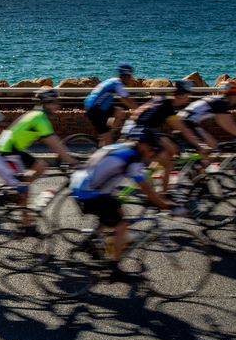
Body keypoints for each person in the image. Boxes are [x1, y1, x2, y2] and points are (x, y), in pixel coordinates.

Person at [69, 128, 179, 277]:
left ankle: (89, 243)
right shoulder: (133, 159)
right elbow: (145, 188)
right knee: (121, 225)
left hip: (82, 184)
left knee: (117, 212)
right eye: (150, 145)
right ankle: (115, 268)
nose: (153, 149)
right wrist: (165, 205)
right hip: (89, 193)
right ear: (141, 144)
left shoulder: (120, 147)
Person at [122, 79, 208, 192]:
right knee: (168, 164)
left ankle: (150, 180)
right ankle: (163, 196)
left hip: (135, 129)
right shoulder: (167, 108)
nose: (189, 98)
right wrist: (200, 146)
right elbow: (183, 129)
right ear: (180, 96)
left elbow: (139, 113)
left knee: (169, 151)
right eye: (187, 95)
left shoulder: (161, 101)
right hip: (142, 133)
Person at [0, 87, 79, 179]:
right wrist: (74, 162)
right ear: (46, 103)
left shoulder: (35, 114)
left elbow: (53, 142)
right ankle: (18, 189)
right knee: (20, 189)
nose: (58, 106)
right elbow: (55, 144)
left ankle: (20, 185)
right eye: (54, 102)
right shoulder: (40, 119)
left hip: (8, 146)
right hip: (9, 150)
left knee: (40, 167)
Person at [178, 82, 236, 149]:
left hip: (184, 119)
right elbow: (226, 123)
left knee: (210, 145)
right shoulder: (221, 103)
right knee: (211, 146)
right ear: (233, 94)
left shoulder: (216, 99)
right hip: (188, 122)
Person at [83, 64, 139, 146]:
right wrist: (139, 110)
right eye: (130, 76)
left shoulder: (113, 81)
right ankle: (106, 142)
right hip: (95, 110)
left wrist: (135, 108)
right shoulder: (117, 84)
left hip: (100, 108)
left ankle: (108, 133)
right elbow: (127, 99)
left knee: (119, 112)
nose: (131, 78)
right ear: (125, 76)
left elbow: (124, 100)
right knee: (109, 144)